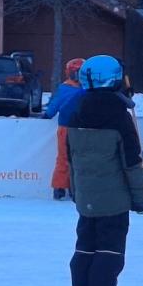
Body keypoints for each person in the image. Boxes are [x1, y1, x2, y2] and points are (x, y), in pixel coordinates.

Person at [66, 55, 143, 286]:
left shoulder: (76, 111)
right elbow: (132, 162)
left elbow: (72, 161)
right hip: (114, 201)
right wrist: (140, 199)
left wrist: (77, 193)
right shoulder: (119, 116)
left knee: (84, 250)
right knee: (110, 252)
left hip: (87, 199)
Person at [43, 58, 85, 201]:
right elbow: (54, 105)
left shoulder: (86, 89)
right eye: (76, 73)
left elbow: (54, 106)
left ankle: (70, 187)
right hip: (70, 128)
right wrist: (48, 114)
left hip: (78, 128)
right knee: (67, 158)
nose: (78, 76)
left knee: (73, 159)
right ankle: (61, 187)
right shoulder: (66, 88)